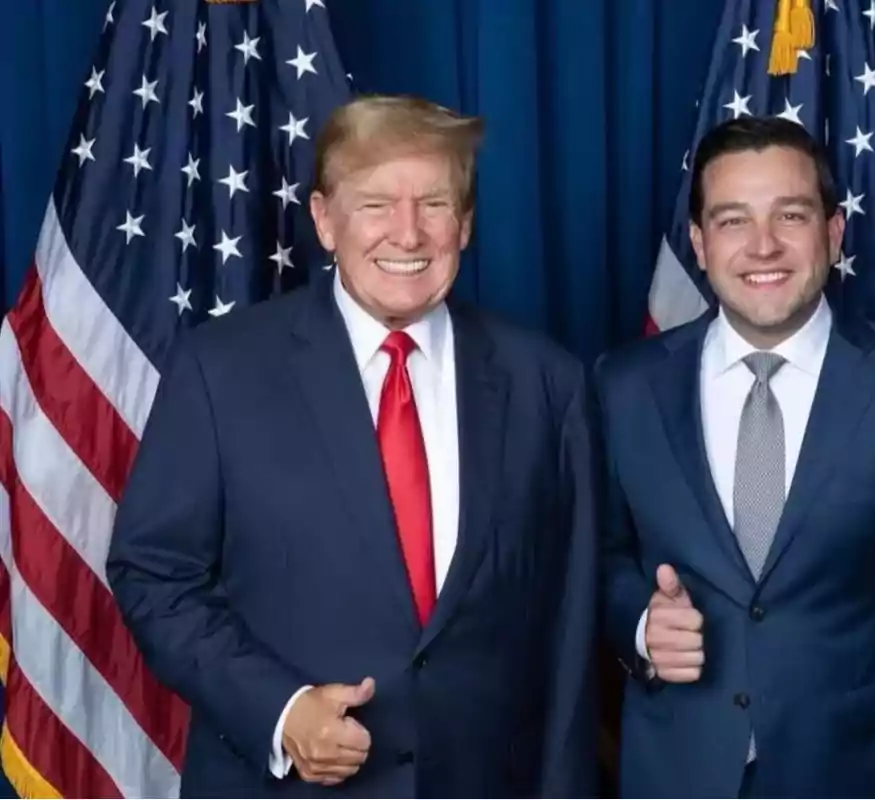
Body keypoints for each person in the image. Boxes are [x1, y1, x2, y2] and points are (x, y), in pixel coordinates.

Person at [107, 94, 599, 798]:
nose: (408, 234)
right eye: (375, 204)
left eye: (433, 203)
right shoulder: (222, 370)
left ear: (465, 224)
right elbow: (152, 573)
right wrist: (278, 711)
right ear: (323, 220)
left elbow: (569, 626)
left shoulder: (547, 383)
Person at [596, 116, 875, 798]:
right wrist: (640, 621)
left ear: (833, 232)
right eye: (732, 221)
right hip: (673, 776)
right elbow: (596, 560)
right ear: (699, 243)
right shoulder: (624, 386)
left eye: (790, 214)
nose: (763, 246)